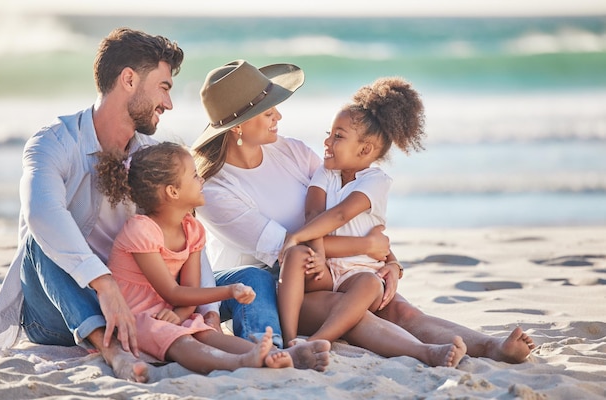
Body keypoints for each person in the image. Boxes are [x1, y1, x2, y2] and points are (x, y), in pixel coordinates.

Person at [192, 59, 535, 365]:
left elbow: (345, 206)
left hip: (338, 266)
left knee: (399, 308)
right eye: (268, 112)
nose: (278, 116)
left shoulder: (292, 151)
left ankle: (492, 347)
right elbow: (285, 247)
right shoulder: (215, 189)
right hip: (282, 286)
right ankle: (424, 353)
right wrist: (366, 248)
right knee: (353, 314)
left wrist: (389, 260)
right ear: (238, 126)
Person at [0, 27, 187, 382]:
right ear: (128, 79)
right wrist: (103, 284)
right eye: (164, 88)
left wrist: (202, 309)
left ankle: (274, 345)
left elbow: (182, 228)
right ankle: (112, 352)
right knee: (37, 240)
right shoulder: (54, 142)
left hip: (131, 304)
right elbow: (42, 214)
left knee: (245, 279)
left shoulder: (150, 161)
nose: (168, 103)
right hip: (53, 312)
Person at [275, 76, 466, 367]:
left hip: (358, 272)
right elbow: (314, 215)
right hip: (326, 271)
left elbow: (340, 214)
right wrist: (314, 251)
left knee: (369, 283)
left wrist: (298, 236)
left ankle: (318, 340)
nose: (327, 141)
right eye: (329, 133)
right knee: (296, 255)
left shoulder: (376, 181)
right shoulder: (325, 173)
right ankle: (290, 340)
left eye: (338, 136)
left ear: (365, 150)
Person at [95, 142, 295, 373]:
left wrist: (178, 314)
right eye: (194, 176)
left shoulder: (192, 229)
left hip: (168, 311)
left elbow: (190, 291)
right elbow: (173, 292)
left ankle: (274, 355)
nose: (201, 181)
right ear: (173, 191)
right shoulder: (141, 230)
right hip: (134, 318)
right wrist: (229, 291)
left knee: (204, 332)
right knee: (182, 340)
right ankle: (239, 362)